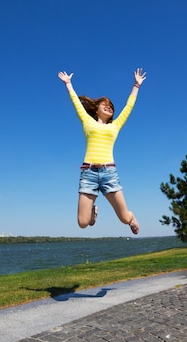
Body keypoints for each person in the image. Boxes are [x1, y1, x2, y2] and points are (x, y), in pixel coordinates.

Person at [58, 68, 146, 234]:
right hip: (88, 174)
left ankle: (131, 215)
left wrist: (136, 85)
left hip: (109, 173)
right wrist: (68, 84)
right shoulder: (87, 122)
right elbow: (76, 104)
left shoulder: (115, 125)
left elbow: (129, 106)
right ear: (96, 109)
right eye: (104, 104)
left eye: (111, 106)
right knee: (83, 223)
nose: (109, 107)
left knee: (125, 219)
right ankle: (93, 213)